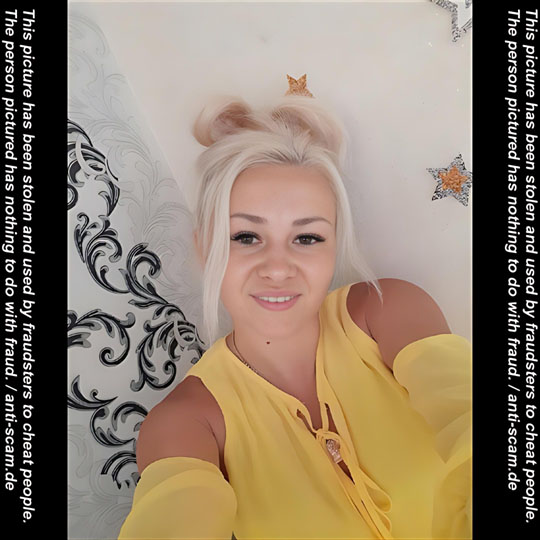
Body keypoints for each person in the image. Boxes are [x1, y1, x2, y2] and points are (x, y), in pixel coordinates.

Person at [118, 81, 472, 540]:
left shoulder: (388, 313)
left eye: (307, 237)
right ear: (205, 249)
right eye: (246, 236)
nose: (278, 268)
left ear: (333, 247)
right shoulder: (187, 422)